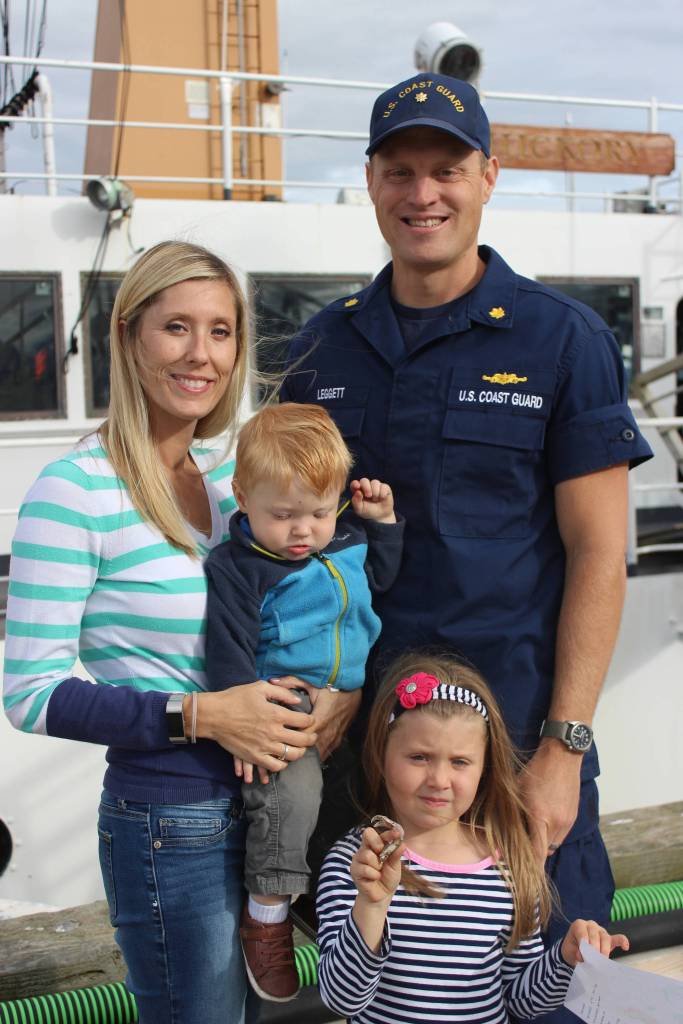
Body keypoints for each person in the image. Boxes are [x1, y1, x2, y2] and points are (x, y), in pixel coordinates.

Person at [281, 73, 653, 1021]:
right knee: (383, 995)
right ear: (368, 182)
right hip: (370, 759)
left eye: (445, 169)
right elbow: (289, 551)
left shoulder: (561, 341)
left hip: (522, 745)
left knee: (558, 985)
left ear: (488, 176)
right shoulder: (322, 352)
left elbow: (599, 555)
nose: (422, 195)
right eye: (399, 171)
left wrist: (566, 745)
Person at [2, 241, 322, 1024]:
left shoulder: (234, 475)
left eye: (220, 331)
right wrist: (201, 715)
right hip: (172, 822)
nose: (200, 354)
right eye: (176, 327)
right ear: (129, 335)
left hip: (272, 810)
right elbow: (30, 696)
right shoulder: (75, 489)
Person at [204, 402, 404, 1002]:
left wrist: (385, 521)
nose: (302, 532)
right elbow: (229, 649)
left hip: (352, 700)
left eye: (318, 512)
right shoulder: (239, 568)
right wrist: (242, 723)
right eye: (283, 515)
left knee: (372, 794)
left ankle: (338, 905)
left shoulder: (345, 535)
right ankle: (266, 919)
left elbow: (384, 581)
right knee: (290, 796)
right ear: (242, 495)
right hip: (281, 706)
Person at [316, 652, 629, 1024]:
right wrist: (370, 906)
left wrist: (565, 957)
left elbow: (522, 1001)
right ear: (381, 754)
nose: (439, 779)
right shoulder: (355, 864)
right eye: (419, 757)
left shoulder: (510, 867)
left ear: (484, 769)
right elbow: (341, 999)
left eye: (460, 762)